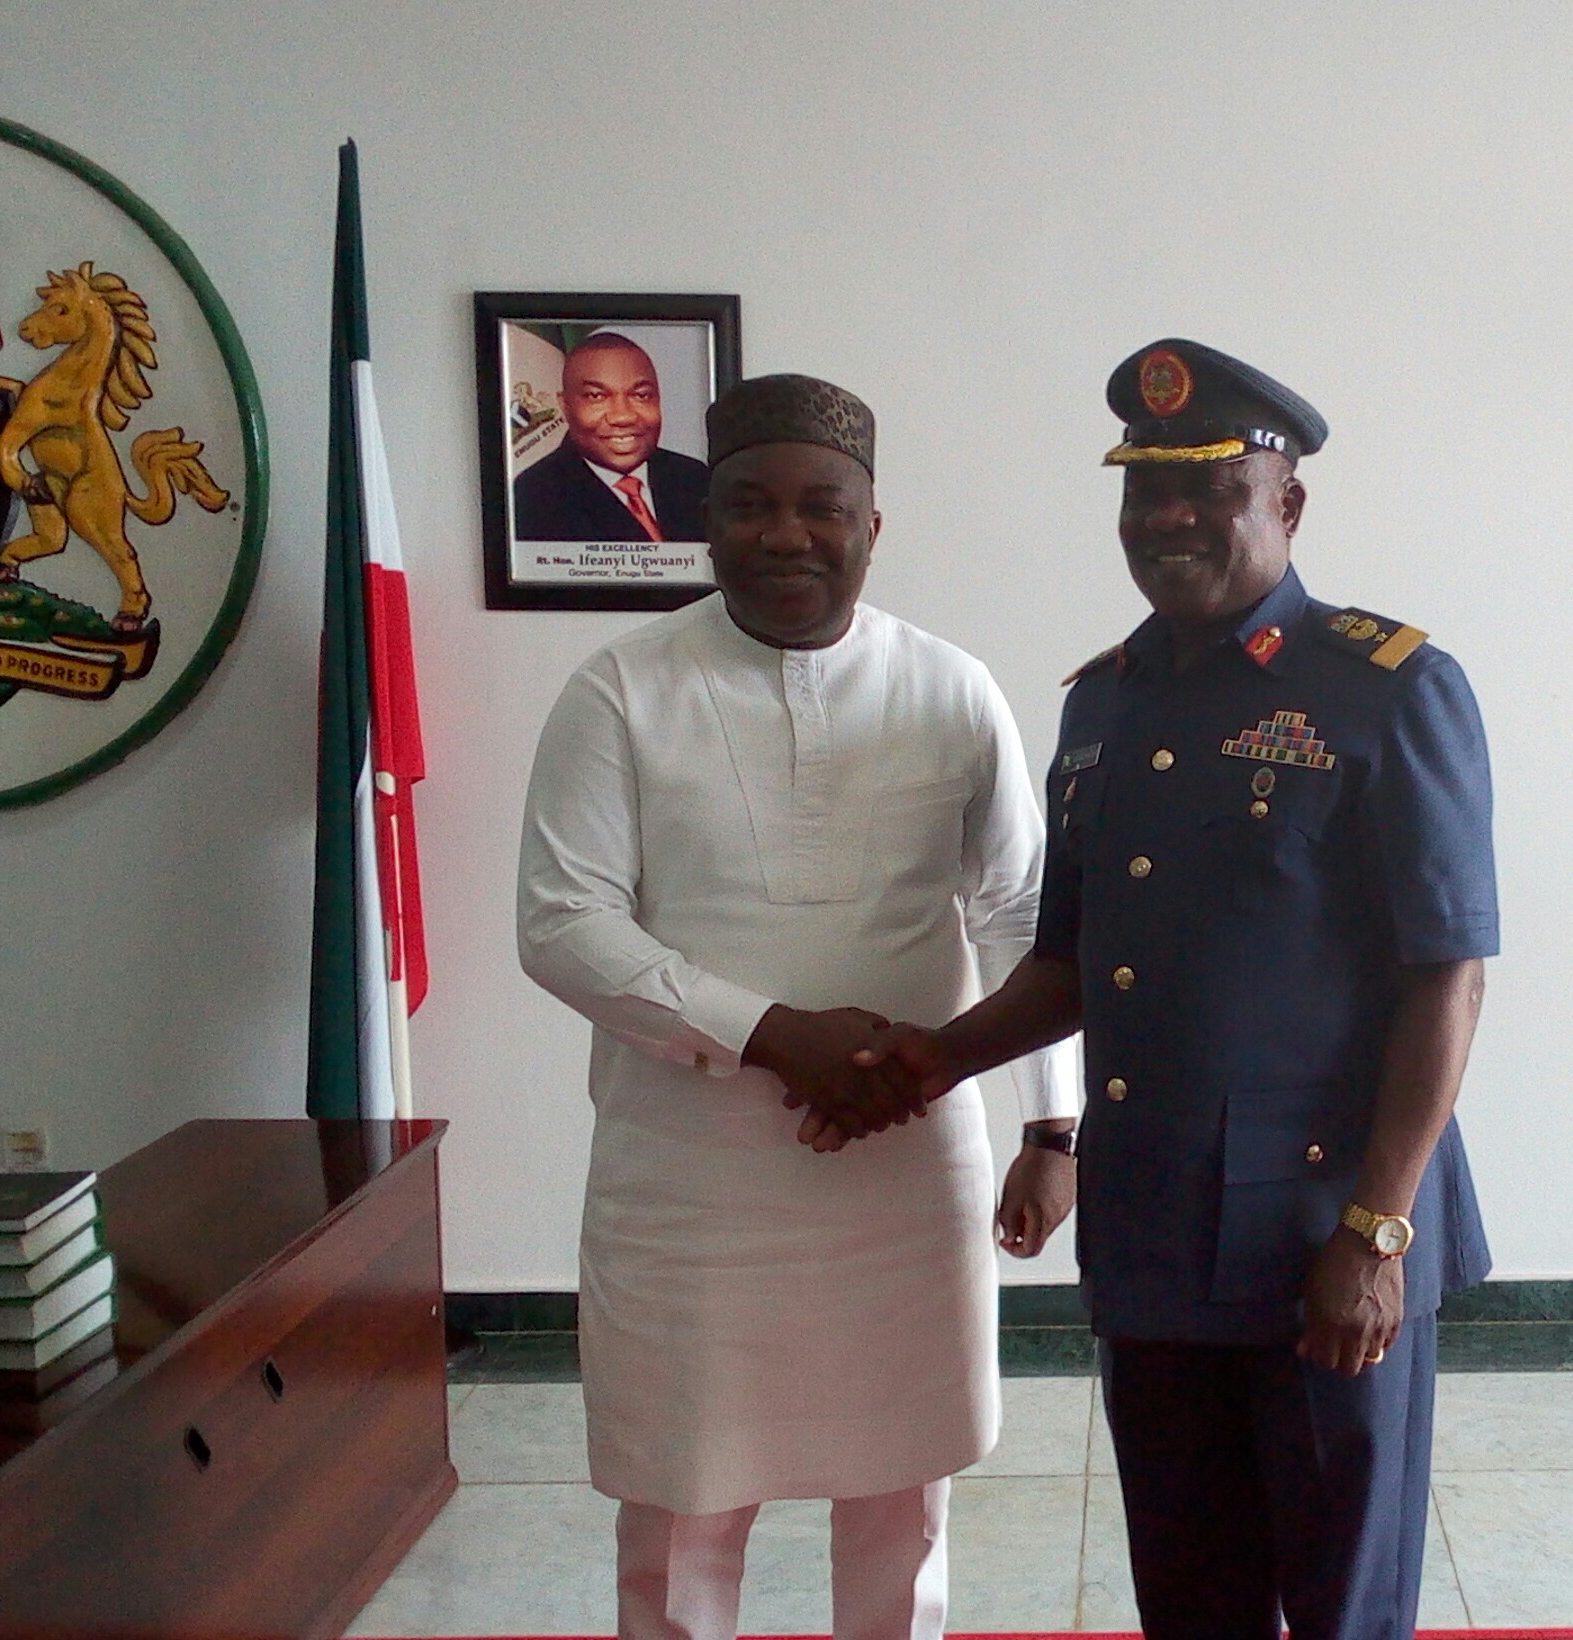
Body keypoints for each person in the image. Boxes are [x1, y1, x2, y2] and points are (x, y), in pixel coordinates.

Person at [849, 339, 1498, 1640]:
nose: (1169, 519)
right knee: (1189, 1593)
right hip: (1152, 1232)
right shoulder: (1104, 705)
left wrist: (1374, 1231)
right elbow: (1068, 963)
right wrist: (940, 1057)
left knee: (1340, 1605)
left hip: (1322, 1227)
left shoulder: (1387, 688)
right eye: (1144, 492)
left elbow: (1449, 976)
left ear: (1287, 504)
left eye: (1209, 487)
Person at [517, 372, 1079, 1640]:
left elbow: (1023, 921)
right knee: (681, 1504)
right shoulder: (620, 689)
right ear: (703, 521)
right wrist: (778, 1035)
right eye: (750, 505)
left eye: (822, 506)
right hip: (691, 1178)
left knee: (905, 1493)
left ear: (874, 524)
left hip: (905, 1167)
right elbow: (563, 924)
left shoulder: (953, 688)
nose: (788, 534)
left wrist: (1054, 1130)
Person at [511, 330, 711, 542]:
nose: (623, 416)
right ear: (565, 406)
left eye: (641, 395)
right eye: (596, 396)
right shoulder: (533, 497)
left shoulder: (694, 479)